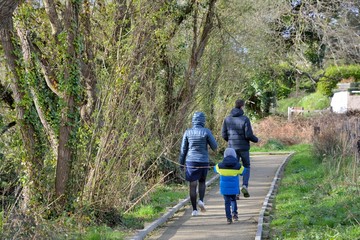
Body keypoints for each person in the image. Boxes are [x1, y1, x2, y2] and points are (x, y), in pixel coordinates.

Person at [179, 111, 218, 216]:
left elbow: (183, 150)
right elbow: (215, 147)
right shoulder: (206, 132)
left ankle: (194, 210)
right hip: (203, 160)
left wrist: (181, 164)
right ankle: (201, 200)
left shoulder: (187, 132)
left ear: (193, 121)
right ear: (203, 121)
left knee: (192, 185)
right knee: (202, 181)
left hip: (191, 161)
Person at [221, 99, 259, 198]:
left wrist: (230, 141)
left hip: (232, 148)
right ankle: (245, 185)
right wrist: (256, 140)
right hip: (244, 148)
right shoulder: (245, 119)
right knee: (246, 166)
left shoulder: (227, 119)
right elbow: (248, 134)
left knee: (234, 168)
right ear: (242, 106)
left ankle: (236, 191)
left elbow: (223, 134)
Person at [214, 148, 244, 224]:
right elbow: (243, 172)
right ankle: (235, 215)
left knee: (227, 203)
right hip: (234, 189)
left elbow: (215, 169)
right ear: (234, 155)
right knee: (233, 200)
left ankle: (228, 218)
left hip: (225, 189)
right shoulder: (238, 166)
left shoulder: (220, 166)